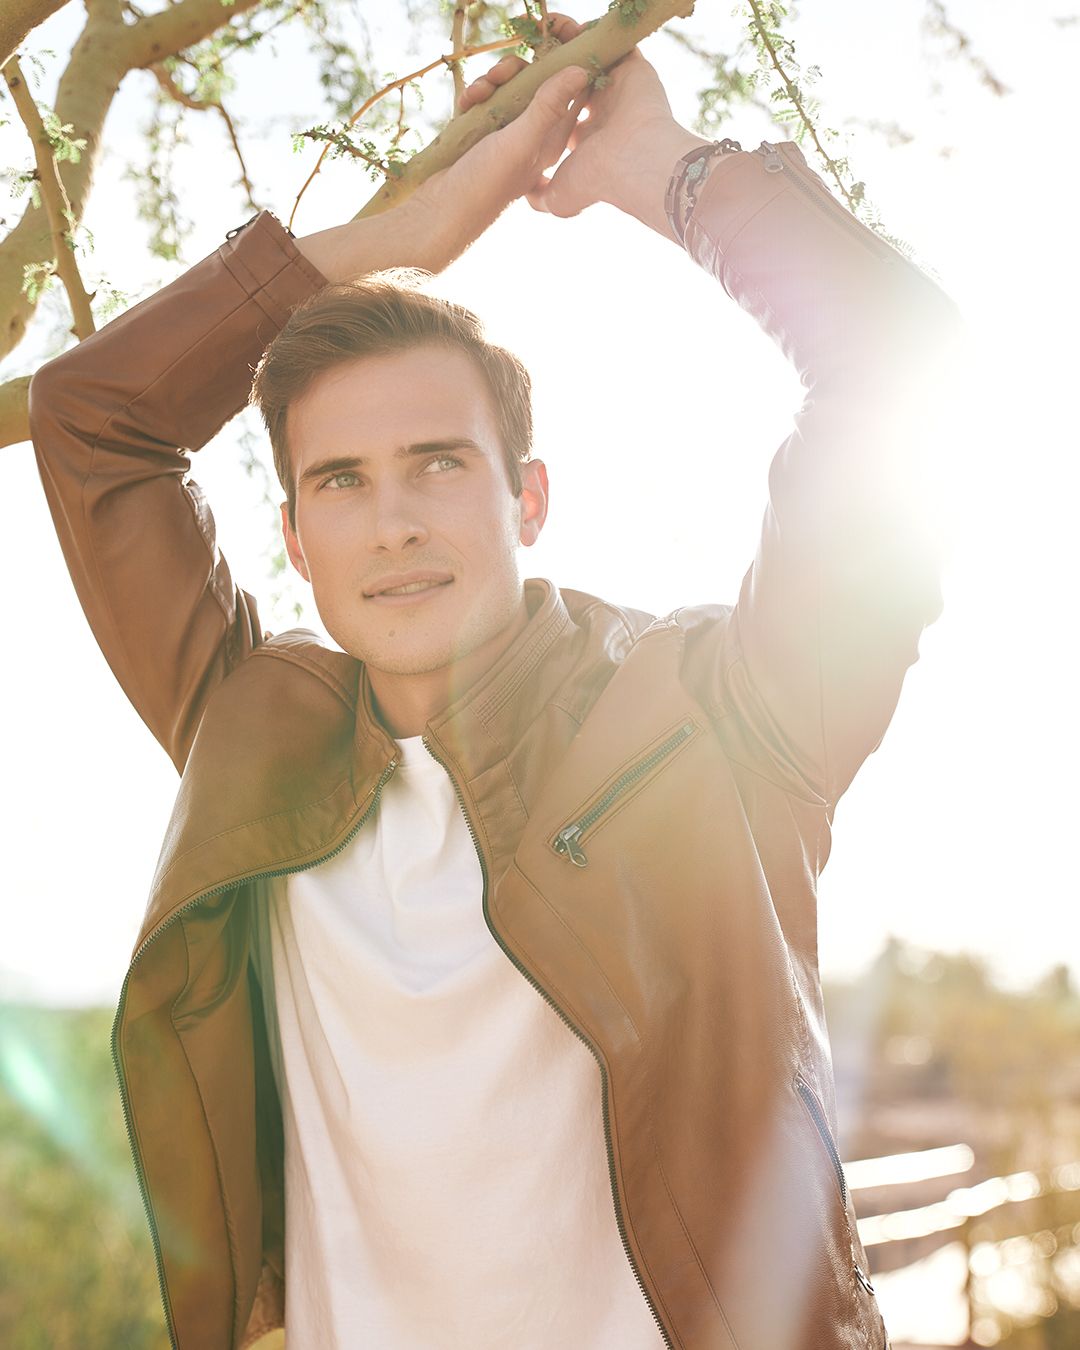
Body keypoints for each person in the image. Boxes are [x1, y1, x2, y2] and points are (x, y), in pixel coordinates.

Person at [27, 12, 964, 1350]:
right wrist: (400, 238)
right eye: (341, 482)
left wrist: (658, 165)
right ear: (293, 537)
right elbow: (91, 423)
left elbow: (896, 372)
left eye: (438, 464)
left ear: (527, 495)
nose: (394, 522)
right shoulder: (249, 731)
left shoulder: (722, 717)